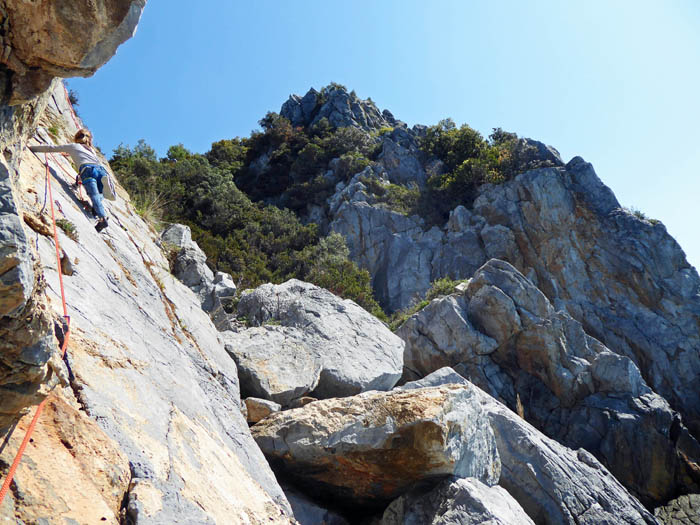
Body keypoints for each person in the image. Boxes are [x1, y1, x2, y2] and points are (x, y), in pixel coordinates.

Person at [30, 129, 110, 232]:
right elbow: (86, 158)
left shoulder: (73, 146)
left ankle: (102, 218)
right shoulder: (92, 151)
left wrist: (32, 148)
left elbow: (52, 148)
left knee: (93, 194)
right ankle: (96, 208)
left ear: (76, 137)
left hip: (87, 170)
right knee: (100, 193)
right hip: (100, 171)